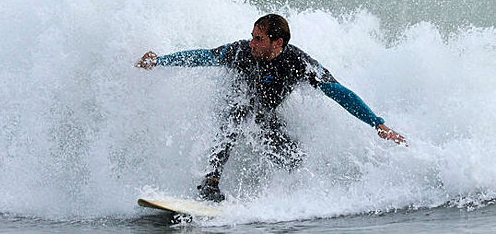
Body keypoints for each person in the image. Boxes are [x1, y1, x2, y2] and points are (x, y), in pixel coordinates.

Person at [136, 14, 406, 202]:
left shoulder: (299, 62)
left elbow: (340, 93)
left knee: (291, 157)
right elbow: (204, 56)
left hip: (265, 116)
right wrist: (160, 61)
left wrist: (377, 124)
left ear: (278, 43)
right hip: (237, 104)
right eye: (252, 36)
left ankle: (285, 192)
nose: (252, 43)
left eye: (259, 39)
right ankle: (211, 182)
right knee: (237, 113)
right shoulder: (241, 51)